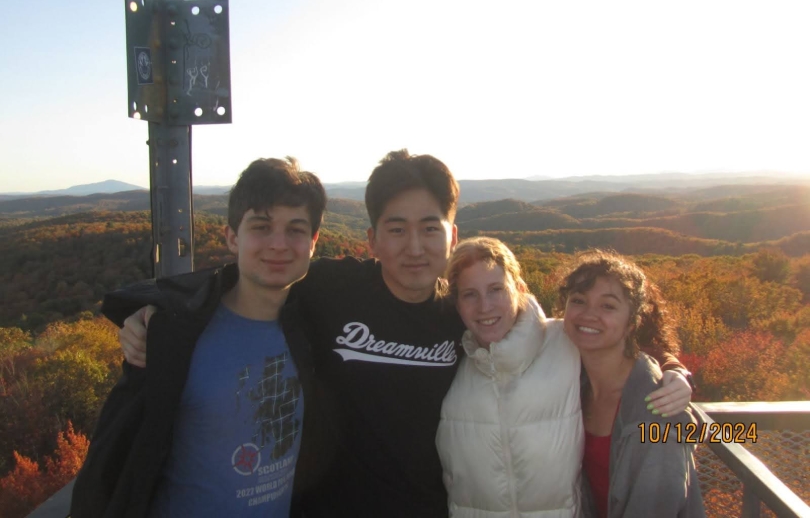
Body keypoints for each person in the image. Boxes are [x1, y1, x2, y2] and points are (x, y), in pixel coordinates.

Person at [113, 150, 692, 517]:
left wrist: (673, 371)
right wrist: (154, 313)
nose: (414, 248)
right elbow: (256, 274)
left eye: (428, 228)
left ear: (451, 233)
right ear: (369, 240)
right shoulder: (328, 292)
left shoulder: (466, 317)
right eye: (396, 229)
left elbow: (595, 335)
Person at [70, 157, 327, 517]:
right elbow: (116, 458)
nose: (279, 244)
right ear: (232, 237)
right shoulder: (176, 335)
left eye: (296, 229)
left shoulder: (314, 327)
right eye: (261, 226)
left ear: (314, 242)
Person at [436, 238, 693, 518]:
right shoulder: (448, 357)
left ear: (520, 290)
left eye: (496, 289)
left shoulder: (562, 342)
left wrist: (675, 370)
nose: (485, 306)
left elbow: (626, 345)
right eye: (470, 294)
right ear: (457, 303)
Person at [560, 249, 706, 518]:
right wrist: (674, 364)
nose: (589, 315)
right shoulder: (572, 383)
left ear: (631, 323)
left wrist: (676, 370)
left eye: (608, 306)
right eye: (578, 300)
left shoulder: (658, 409)